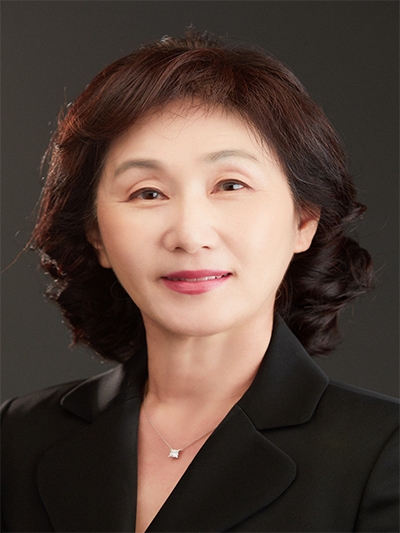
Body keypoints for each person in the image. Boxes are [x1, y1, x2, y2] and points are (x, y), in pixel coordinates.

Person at [1, 30, 398, 533]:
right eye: (147, 193)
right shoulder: (16, 437)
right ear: (96, 234)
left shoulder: (384, 452)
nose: (189, 234)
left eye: (230, 185)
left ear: (304, 220)